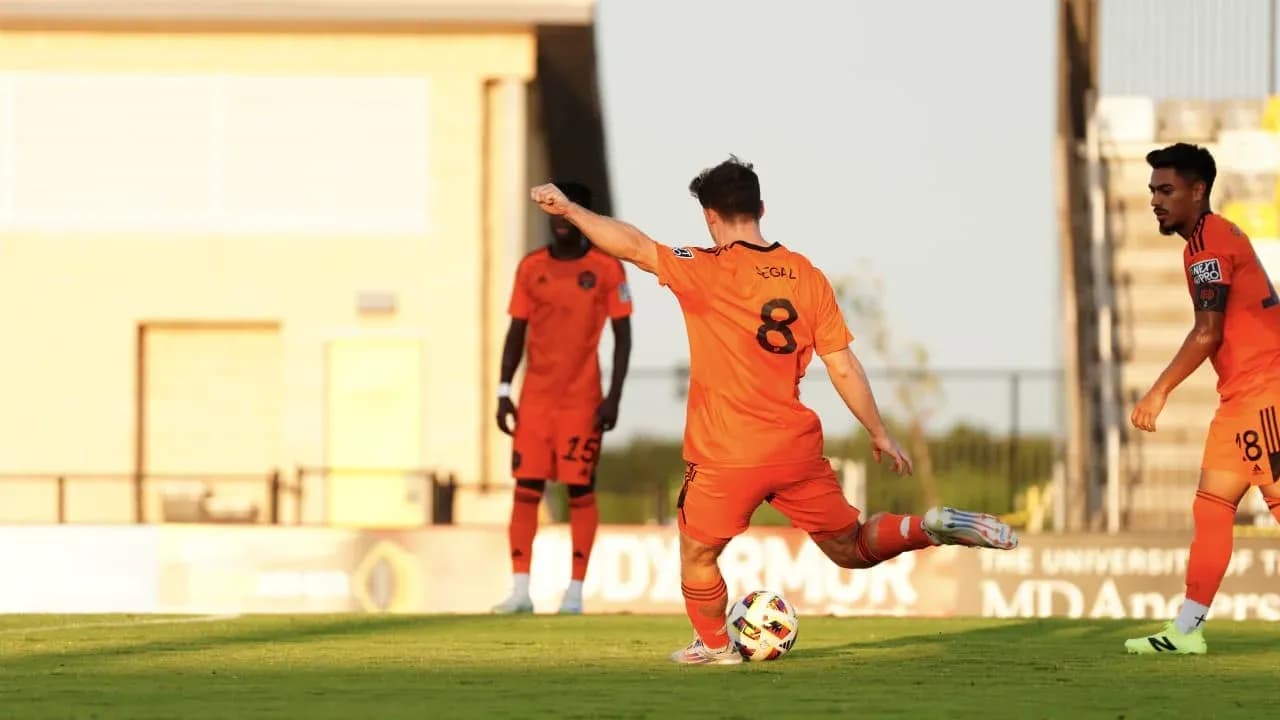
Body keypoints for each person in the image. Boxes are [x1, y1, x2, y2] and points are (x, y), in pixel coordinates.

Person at [530, 157, 1017, 664]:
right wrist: (878, 432)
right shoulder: (807, 275)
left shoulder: (702, 267)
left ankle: (716, 646)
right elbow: (843, 366)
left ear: (709, 217)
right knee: (850, 547)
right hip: (794, 449)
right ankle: (930, 526)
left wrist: (570, 208)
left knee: (697, 552)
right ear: (761, 208)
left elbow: (631, 244)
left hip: (725, 454)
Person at [1125, 143, 1280, 655]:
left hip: (1266, 393)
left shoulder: (1209, 246)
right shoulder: (1203, 241)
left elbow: (1207, 333)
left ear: (1198, 191)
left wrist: (1158, 391)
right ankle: (1186, 631)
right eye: (1152, 190)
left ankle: (1187, 629)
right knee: (1212, 509)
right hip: (1241, 399)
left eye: (1166, 190)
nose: (1155, 200)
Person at [491, 181, 633, 616]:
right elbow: (516, 331)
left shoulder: (607, 269)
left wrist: (613, 397)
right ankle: (520, 591)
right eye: (553, 213)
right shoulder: (531, 267)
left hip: (581, 401)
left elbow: (623, 336)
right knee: (526, 487)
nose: (560, 222)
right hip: (535, 400)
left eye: (567, 212)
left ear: (580, 216)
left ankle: (574, 593)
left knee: (580, 490)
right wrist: (503, 390)